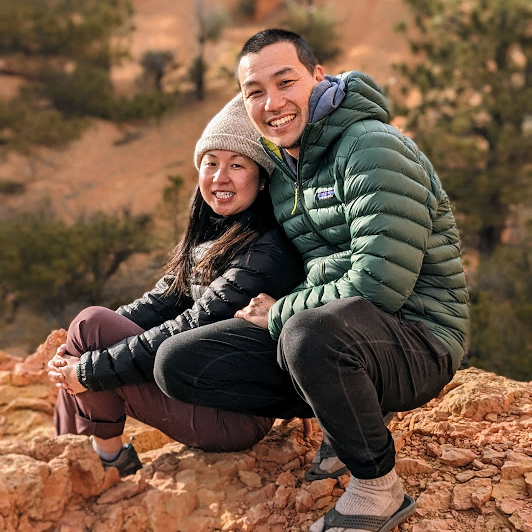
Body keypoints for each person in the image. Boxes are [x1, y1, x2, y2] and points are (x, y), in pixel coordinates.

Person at [155, 28, 469, 532]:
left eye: (286, 82)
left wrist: (279, 311)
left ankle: (378, 488)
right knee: (180, 363)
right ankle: (350, 416)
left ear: (318, 77)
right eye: (255, 92)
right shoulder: (285, 169)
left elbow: (379, 284)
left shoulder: (373, 148)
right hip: (340, 330)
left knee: (306, 332)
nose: (272, 103)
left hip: (419, 336)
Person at [47, 94, 305, 477]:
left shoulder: (266, 251)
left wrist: (89, 367)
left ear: (263, 179)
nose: (220, 177)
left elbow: (192, 326)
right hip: (195, 386)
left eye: (237, 165)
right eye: (211, 163)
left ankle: (102, 461)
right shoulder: (213, 233)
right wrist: (84, 349)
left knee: (89, 334)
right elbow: (160, 302)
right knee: (86, 332)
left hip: (232, 414)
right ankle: (82, 458)